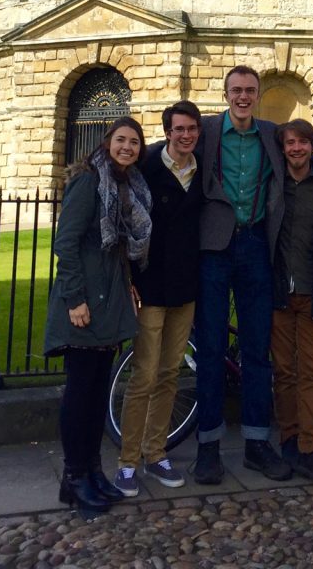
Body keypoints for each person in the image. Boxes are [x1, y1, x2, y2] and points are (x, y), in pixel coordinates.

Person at [44, 116, 152, 518]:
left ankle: (90, 471)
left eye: (135, 142)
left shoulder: (127, 184)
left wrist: (127, 285)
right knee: (80, 394)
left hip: (109, 301)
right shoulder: (89, 180)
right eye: (122, 140)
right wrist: (75, 299)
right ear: (108, 142)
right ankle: (74, 478)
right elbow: (66, 243)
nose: (128, 147)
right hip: (85, 302)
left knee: (95, 396)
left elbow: (119, 247)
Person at [193, 64, 290, 484]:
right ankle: (208, 448)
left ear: (258, 93)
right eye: (237, 90)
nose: (244, 96)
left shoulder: (271, 133)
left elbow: (311, 156)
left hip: (254, 245)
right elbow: (164, 151)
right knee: (211, 349)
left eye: (250, 90)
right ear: (226, 93)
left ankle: (256, 444)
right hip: (214, 247)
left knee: (256, 350)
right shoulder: (206, 131)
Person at [114, 101, 203, 496]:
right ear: (167, 132)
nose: (186, 136)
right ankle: (128, 461)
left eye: (192, 129)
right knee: (144, 375)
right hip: (151, 286)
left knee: (170, 374)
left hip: (186, 286)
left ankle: (156, 451)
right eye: (179, 129)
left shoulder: (201, 170)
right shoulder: (147, 168)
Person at [271, 119, 313, 487]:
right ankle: (290, 441)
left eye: (303, 142)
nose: (296, 148)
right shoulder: (274, 183)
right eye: (290, 142)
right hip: (279, 293)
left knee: (311, 373)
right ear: (282, 148)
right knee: (284, 373)